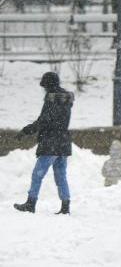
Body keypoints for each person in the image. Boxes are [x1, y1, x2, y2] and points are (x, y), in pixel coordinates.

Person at [12, 72, 73, 215]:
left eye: (45, 86)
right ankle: (65, 206)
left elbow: (44, 121)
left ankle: (30, 203)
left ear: (48, 85)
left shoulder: (52, 100)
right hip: (63, 143)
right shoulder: (66, 100)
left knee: (37, 174)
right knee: (61, 176)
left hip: (51, 143)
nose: (44, 89)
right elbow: (56, 121)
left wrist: (26, 130)